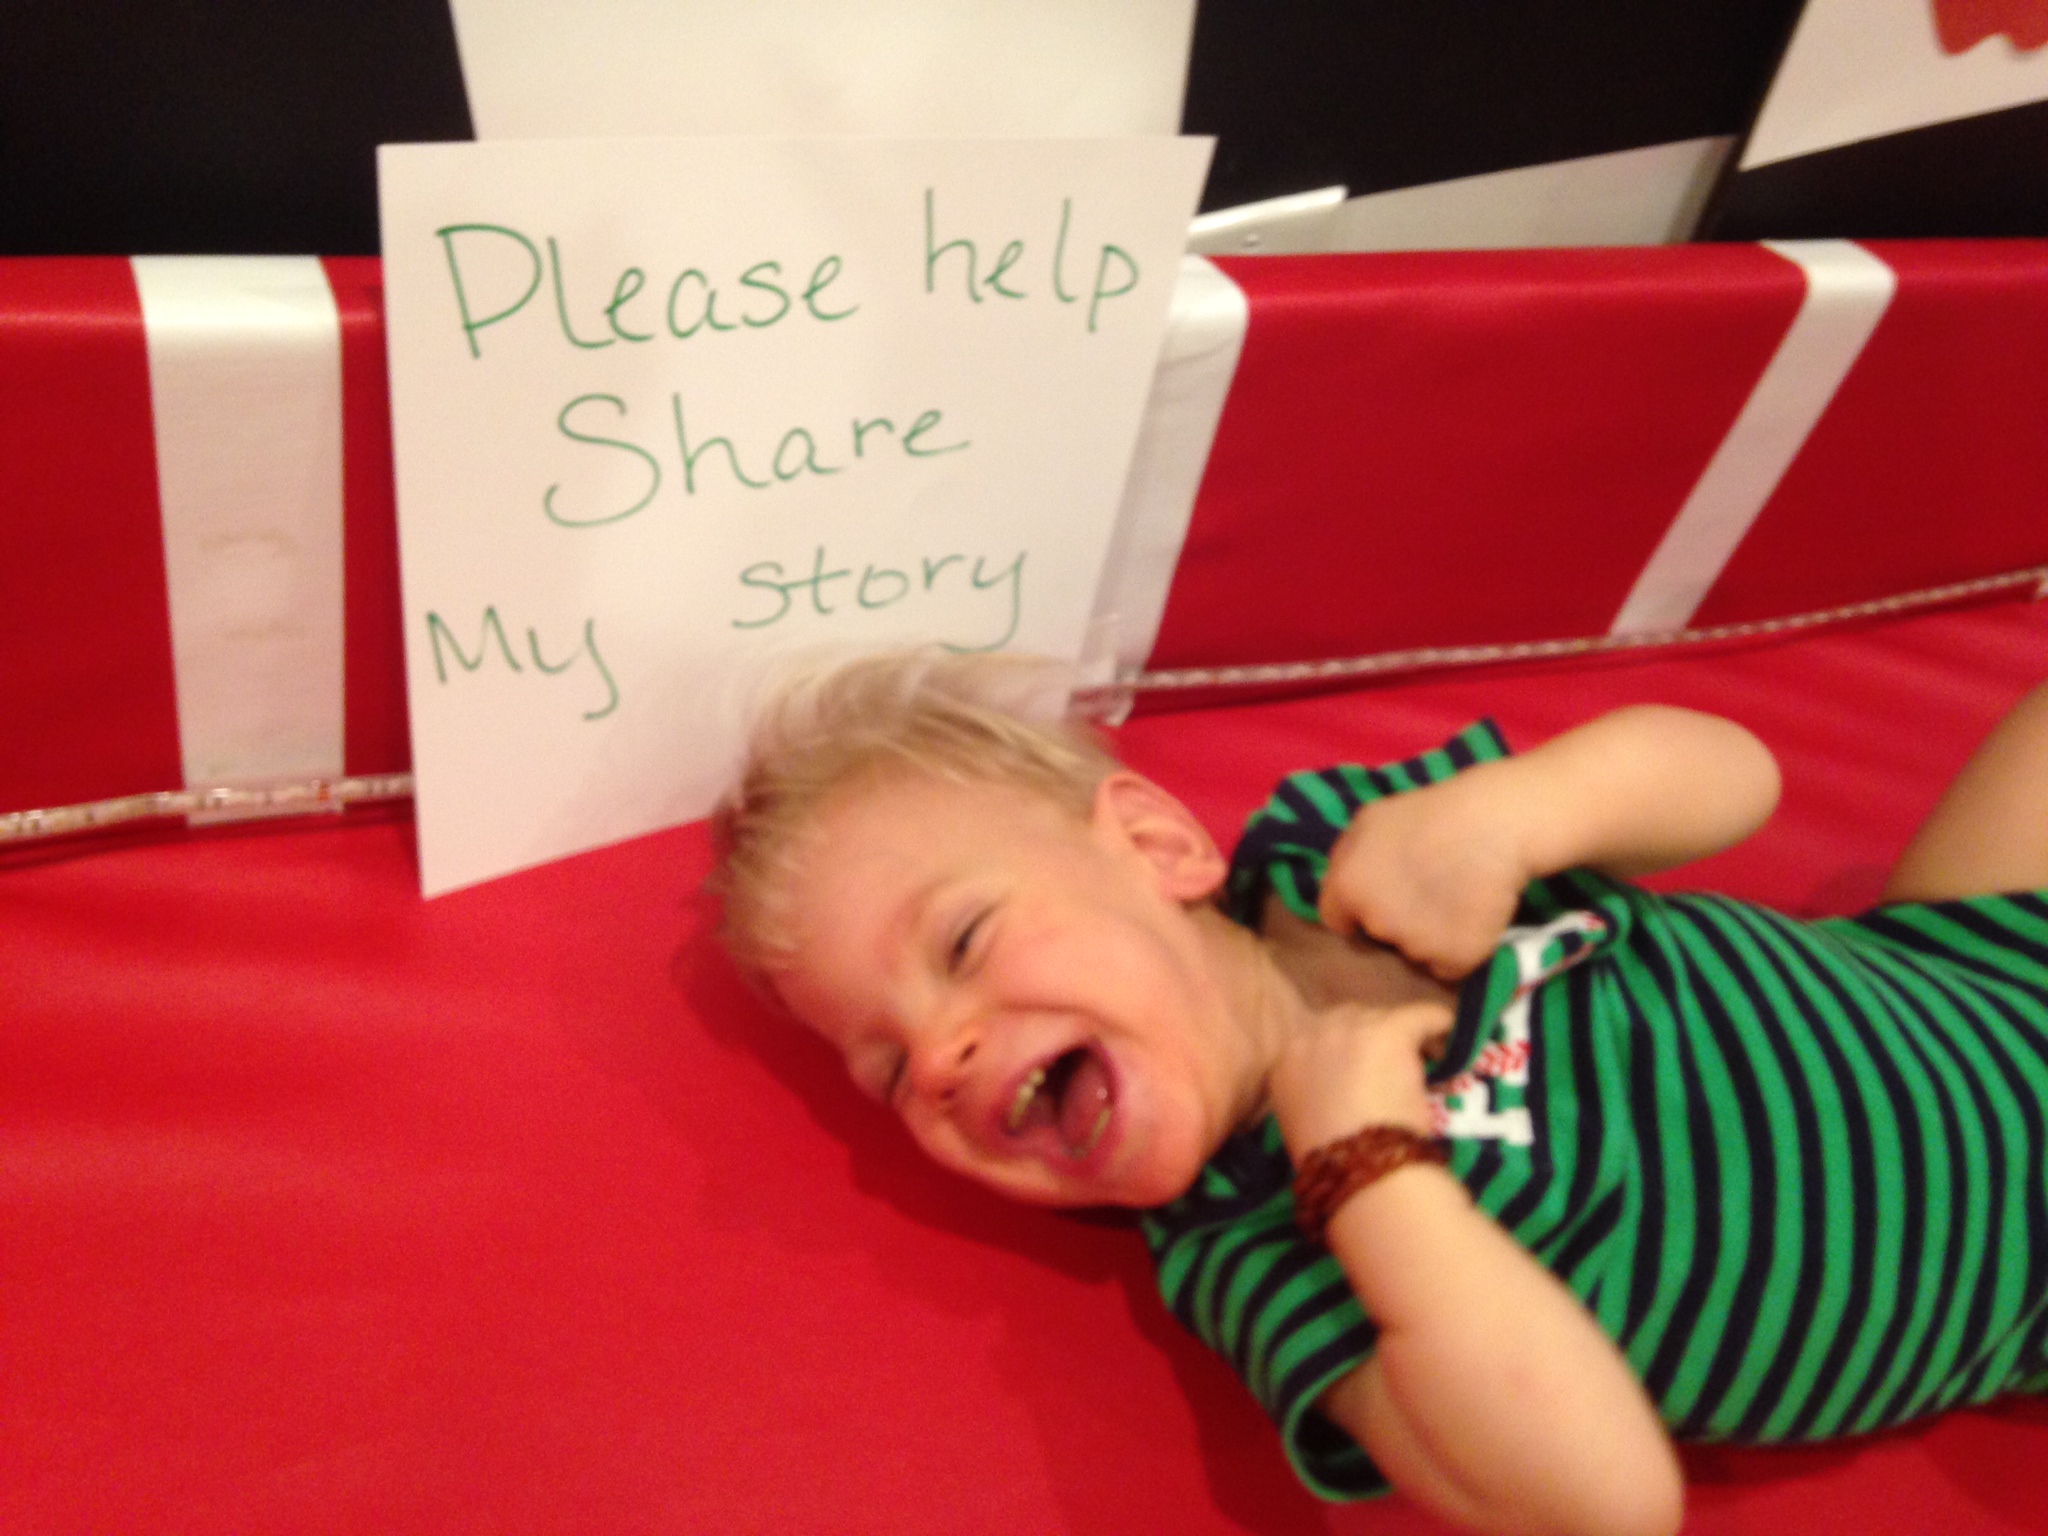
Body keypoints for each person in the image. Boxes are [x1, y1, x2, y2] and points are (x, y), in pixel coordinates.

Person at [710, 650, 2048, 1536]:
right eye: (888, 1069)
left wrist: (1527, 809)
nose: (938, 1053)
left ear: (1158, 846)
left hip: (1962, 958)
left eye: (962, 943)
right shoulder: (1260, 1249)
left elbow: (1737, 772)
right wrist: (1370, 1178)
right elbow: (1606, 1499)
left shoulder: (1339, 852)